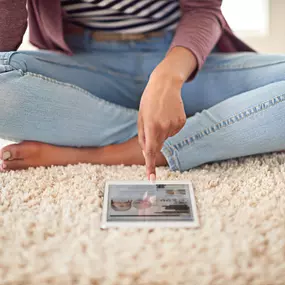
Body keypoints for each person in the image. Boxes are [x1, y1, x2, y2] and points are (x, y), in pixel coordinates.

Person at [0, 0, 285, 181]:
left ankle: (107, 154)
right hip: (82, 62)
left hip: (177, 57)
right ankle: (196, 130)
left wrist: (168, 77)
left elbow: (204, 9)